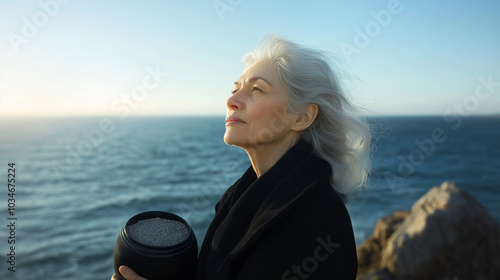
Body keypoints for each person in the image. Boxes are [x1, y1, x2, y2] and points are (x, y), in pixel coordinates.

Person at [112, 34, 370, 280]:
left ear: (302, 117)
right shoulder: (237, 196)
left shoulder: (320, 221)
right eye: (235, 88)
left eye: (257, 89)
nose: (231, 100)